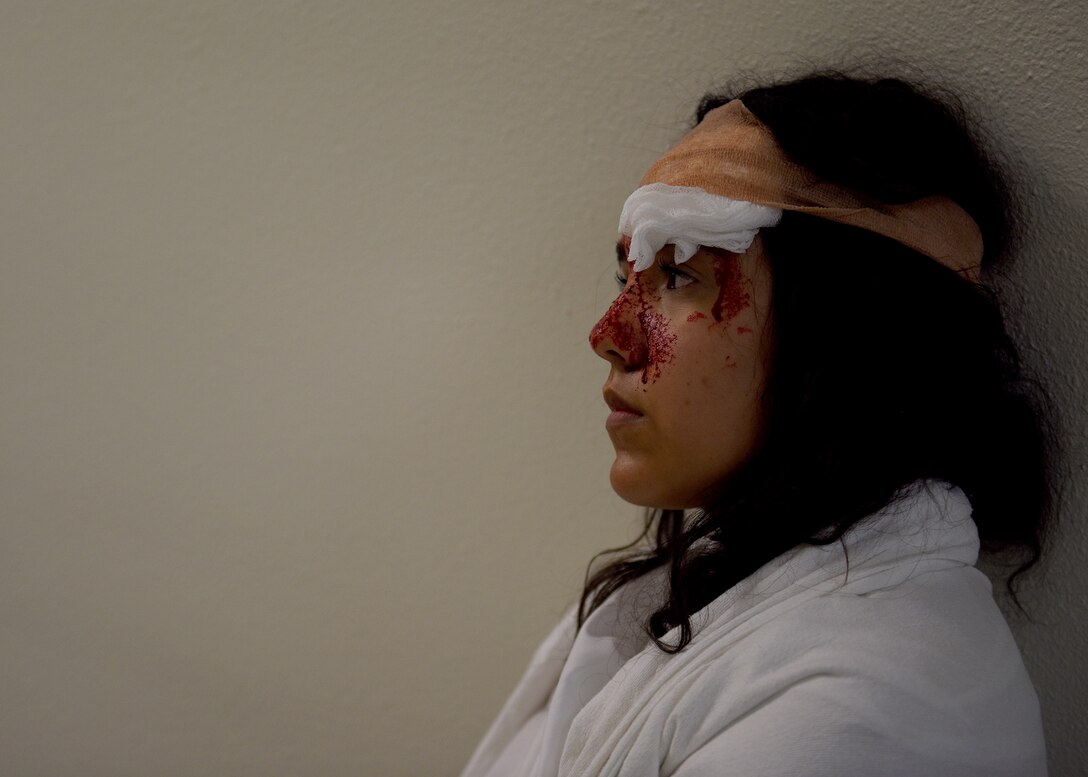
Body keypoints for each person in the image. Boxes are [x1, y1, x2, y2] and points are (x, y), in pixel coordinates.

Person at [460, 71, 1060, 777]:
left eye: (680, 274)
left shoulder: (864, 715)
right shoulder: (718, 583)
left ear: (843, 331)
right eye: (627, 277)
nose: (611, 333)